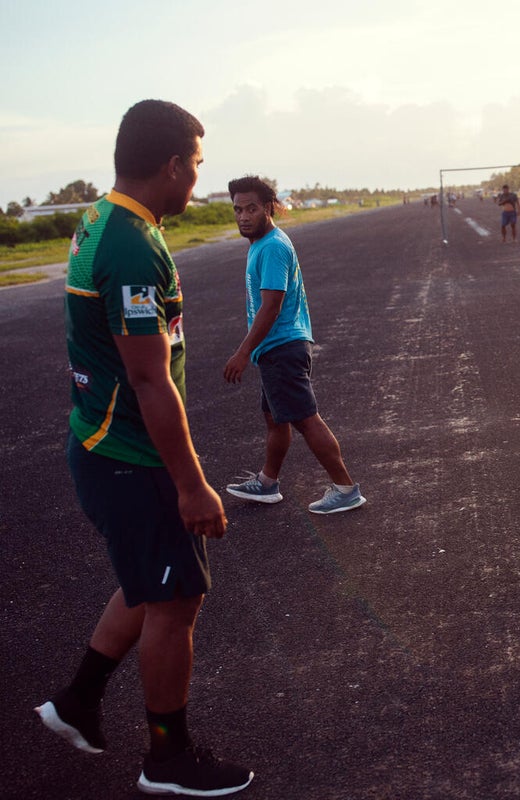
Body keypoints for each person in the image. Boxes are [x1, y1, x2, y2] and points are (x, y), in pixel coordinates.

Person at [37, 99, 253, 796]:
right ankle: (168, 758)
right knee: (176, 601)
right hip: (130, 455)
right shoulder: (130, 243)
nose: (199, 178)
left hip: (108, 445)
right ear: (169, 165)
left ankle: (77, 701)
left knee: (149, 582)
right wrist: (191, 484)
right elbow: (147, 375)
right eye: (195, 163)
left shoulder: (110, 217)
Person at [223, 176, 366, 514]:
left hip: (282, 347)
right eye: (238, 209)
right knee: (275, 420)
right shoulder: (262, 242)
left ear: (269, 207)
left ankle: (345, 488)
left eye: (252, 208)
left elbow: (271, 305)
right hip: (276, 348)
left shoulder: (272, 246)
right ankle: (267, 483)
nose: (243, 216)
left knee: (305, 419)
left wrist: (243, 352)